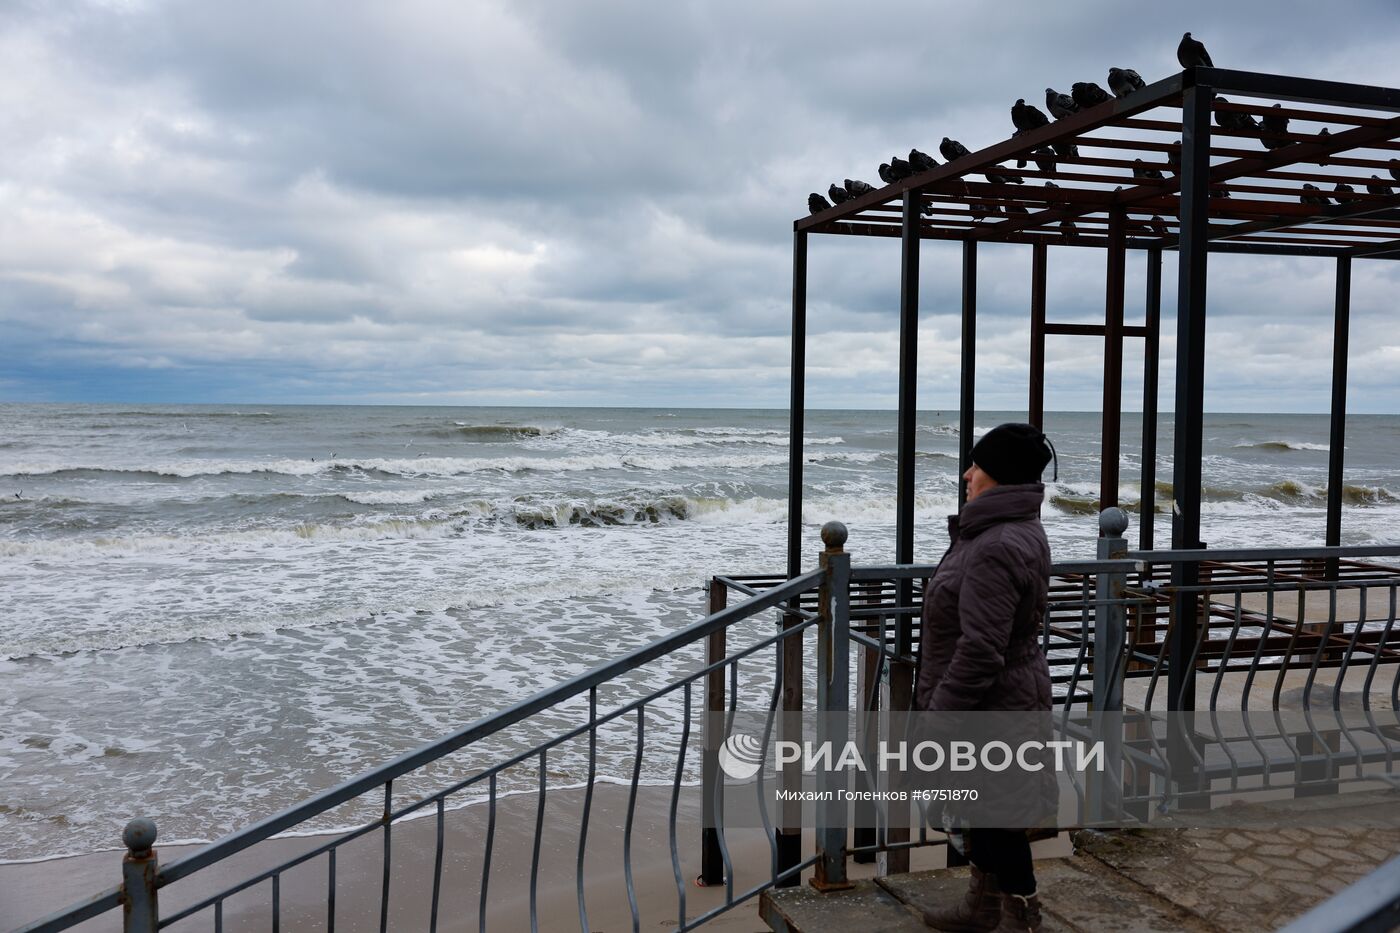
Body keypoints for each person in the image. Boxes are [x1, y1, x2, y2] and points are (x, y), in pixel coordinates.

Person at [916, 423, 1056, 933]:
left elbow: (981, 648)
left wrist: (940, 716)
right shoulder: (1006, 529)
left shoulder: (995, 543)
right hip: (1004, 697)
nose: (967, 473)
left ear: (999, 476)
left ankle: (1022, 916)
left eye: (976, 466)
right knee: (983, 808)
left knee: (998, 820)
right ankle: (983, 905)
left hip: (991, 706)